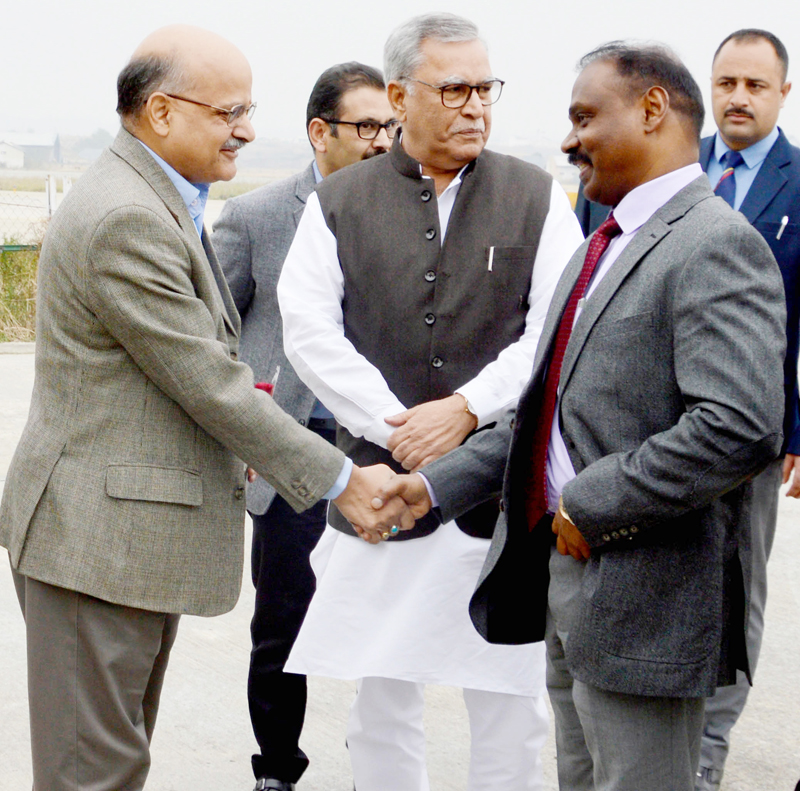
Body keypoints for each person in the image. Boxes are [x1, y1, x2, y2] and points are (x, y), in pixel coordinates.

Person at [0, 26, 412, 791]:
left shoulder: (157, 198)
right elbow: (207, 379)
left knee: (112, 762)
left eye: (248, 110)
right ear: (161, 111)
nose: (247, 130)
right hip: (95, 545)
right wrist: (342, 480)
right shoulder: (126, 216)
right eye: (230, 112)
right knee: (93, 773)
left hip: (121, 544)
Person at [378, 41, 787, 791]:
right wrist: (433, 487)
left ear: (653, 110)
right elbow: (547, 418)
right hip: (572, 589)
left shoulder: (716, 244)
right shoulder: (599, 245)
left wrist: (588, 504)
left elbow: (737, 425)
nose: (569, 141)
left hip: (648, 604)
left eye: (585, 118)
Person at [277, 12, 583, 791]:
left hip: (499, 492)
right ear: (398, 96)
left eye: (485, 88)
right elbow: (308, 329)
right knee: (381, 695)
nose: (475, 105)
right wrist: (396, 427)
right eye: (454, 89)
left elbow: (556, 329)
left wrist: (467, 409)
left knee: (510, 702)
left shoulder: (537, 196)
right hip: (380, 486)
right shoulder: (338, 202)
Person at [212, 62, 396, 791]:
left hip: (380, 451)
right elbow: (214, 335)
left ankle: (378, 770)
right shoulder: (257, 216)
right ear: (320, 132)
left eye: (392, 127)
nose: (383, 141)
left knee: (382, 623)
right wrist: (245, 431)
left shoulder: (411, 214)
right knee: (282, 624)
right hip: (291, 450)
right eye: (368, 126)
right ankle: (278, 771)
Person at [695, 29, 800, 791]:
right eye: (726, 82)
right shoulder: (673, 165)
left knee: (735, 594)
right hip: (654, 424)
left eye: (754, 85)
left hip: (754, 431)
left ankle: (706, 755)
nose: (737, 98)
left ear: (783, 93)